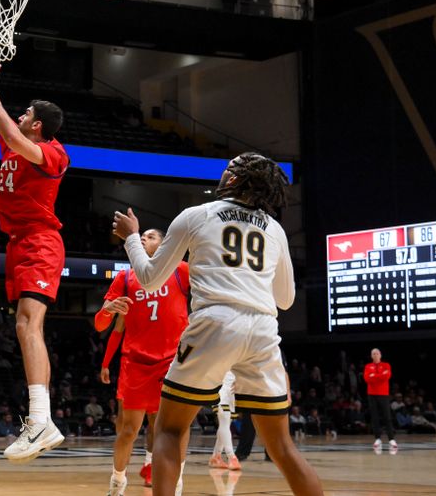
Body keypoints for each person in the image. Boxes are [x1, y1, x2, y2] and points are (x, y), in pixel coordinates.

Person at [112, 152, 323, 496]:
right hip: (263, 329)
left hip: (214, 321)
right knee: (283, 448)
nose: (224, 172)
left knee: (168, 431)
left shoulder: (197, 215)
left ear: (237, 179)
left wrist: (132, 238)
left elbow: (149, 279)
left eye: (229, 168)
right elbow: (285, 300)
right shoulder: (275, 228)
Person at [0, 23, 69, 462]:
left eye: (26, 112)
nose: (20, 114)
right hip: (18, 245)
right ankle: (41, 419)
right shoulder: (13, 152)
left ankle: (41, 419)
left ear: (39, 125)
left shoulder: (53, 153)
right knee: (26, 327)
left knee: (29, 325)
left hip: (41, 243)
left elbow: (7, 127)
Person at [95, 228, 189, 493]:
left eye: (151, 236)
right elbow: (102, 324)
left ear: (164, 244)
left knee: (171, 429)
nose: (145, 239)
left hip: (172, 363)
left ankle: (175, 482)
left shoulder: (180, 271)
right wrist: (107, 310)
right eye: (143, 235)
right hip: (136, 363)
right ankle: (117, 481)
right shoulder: (125, 278)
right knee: (128, 430)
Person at [363, 348, 397, 451]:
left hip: (383, 394)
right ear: (371, 356)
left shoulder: (386, 365)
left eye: (377, 353)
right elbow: (367, 378)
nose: (375, 355)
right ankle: (377, 438)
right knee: (375, 417)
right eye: (373, 354)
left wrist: (374, 376)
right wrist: (379, 376)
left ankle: (391, 439)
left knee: (387, 416)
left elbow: (386, 376)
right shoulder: (368, 366)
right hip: (372, 395)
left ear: (380, 355)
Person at [210, 371, 241, 471]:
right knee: (224, 420)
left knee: (226, 424)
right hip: (219, 386)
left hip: (232, 388)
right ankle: (232, 457)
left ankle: (216, 456)